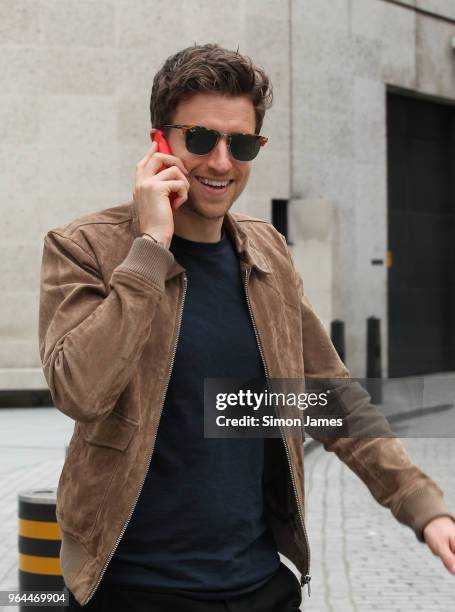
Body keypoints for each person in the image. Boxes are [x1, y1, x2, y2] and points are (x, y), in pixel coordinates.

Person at [39, 43, 455, 612]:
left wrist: (422, 505)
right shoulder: (85, 247)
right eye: (201, 139)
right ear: (159, 142)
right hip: (132, 589)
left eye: (240, 143)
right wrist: (150, 249)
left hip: (260, 586)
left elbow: (328, 398)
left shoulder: (266, 254)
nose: (220, 163)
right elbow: (79, 390)